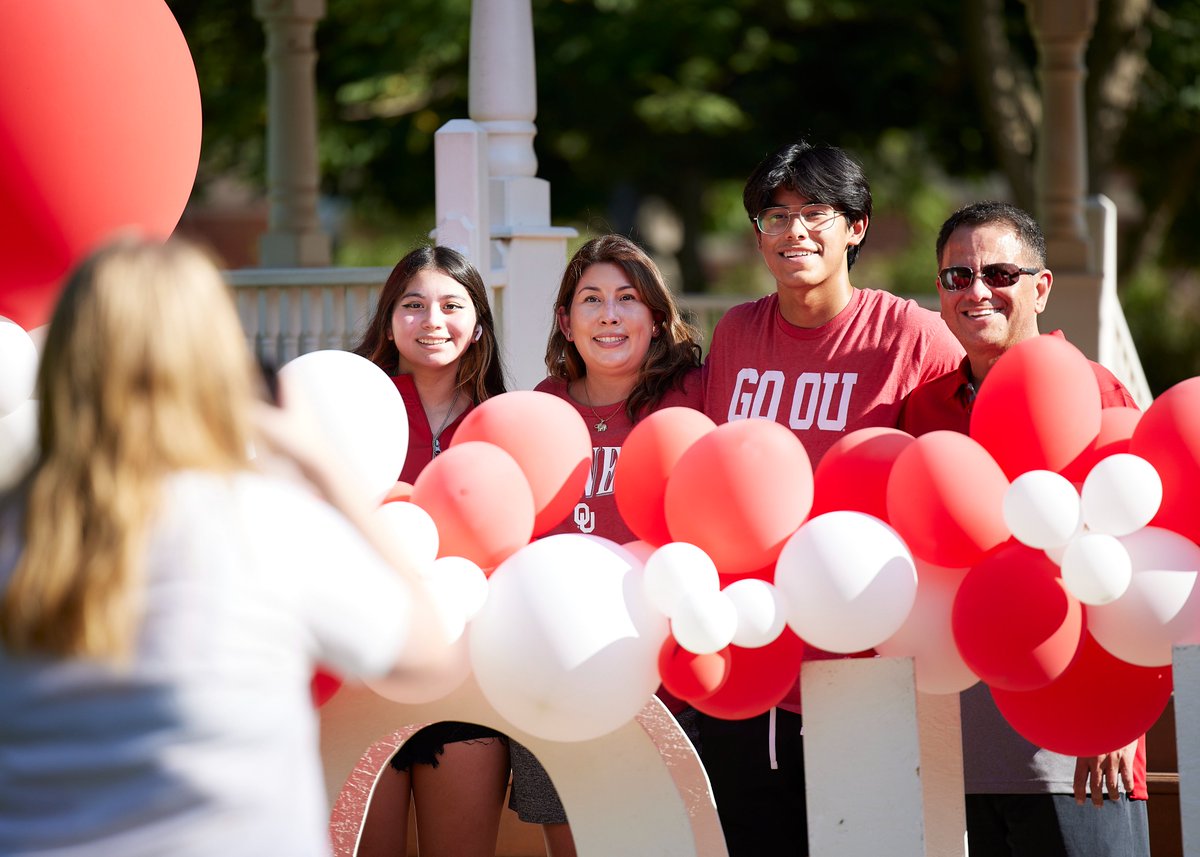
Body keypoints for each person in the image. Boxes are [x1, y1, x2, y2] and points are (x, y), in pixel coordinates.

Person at [0, 237, 448, 857]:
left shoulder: (12, 532)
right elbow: (428, 659)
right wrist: (320, 462)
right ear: (212, 359)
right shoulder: (261, 522)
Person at [699, 138, 965, 856]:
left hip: (866, 663)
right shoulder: (736, 332)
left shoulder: (912, 336)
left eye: (815, 211)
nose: (794, 232)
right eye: (774, 216)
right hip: (748, 658)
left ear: (856, 226)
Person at [898, 200, 1150, 857]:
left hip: (1081, 750)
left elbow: (1136, 564)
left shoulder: (1097, 394)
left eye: (1000, 273)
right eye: (957, 277)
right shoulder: (921, 412)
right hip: (957, 756)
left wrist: (1118, 719)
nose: (977, 291)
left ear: (1040, 287)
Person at [503, 233, 705, 857]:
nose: (610, 314)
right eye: (591, 299)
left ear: (655, 316)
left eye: (627, 298)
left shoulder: (691, 399)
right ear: (565, 321)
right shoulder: (540, 407)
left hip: (664, 684)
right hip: (557, 672)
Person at [352, 245, 512, 857]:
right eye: (413, 306)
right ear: (390, 321)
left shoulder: (504, 422)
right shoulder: (356, 410)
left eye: (451, 305)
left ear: (477, 327)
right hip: (365, 672)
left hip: (469, 683)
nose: (432, 321)